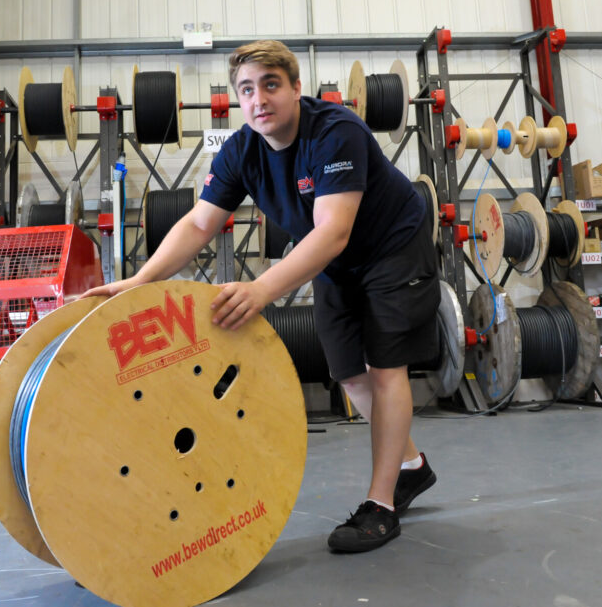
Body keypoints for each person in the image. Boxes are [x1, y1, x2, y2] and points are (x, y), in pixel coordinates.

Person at [83, 40, 440, 553]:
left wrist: (261, 289)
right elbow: (199, 222)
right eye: (247, 90)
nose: (259, 100)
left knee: (386, 369)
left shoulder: (336, 132)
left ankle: (381, 505)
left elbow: (332, 231)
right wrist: (140, 281)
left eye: (271, 85)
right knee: (348, 374)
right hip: (337, 262)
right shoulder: (241, 150)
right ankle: (411, 467)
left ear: (296, 88)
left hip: (392, 248)